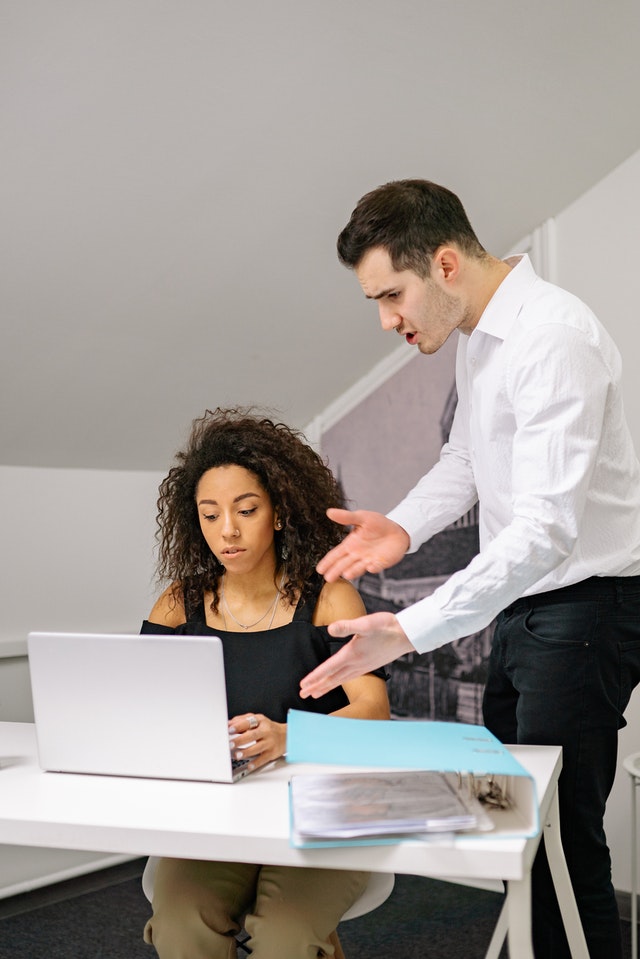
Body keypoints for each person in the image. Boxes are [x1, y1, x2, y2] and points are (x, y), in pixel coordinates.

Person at [299, 179, 640, 958]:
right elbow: (466, 458)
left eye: (392, 295)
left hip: (585, 608)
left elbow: (546, 528)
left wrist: (407, 628)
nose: (389, 320)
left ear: (445, 265)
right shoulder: (480, 338)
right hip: (530, 605)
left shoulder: (554, 338)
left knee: (560, 833)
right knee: (514, 819)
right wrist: (403, 525)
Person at [141, 407, 390, 959]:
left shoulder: (328, 598)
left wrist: (286, 738)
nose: (226, 530)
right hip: (221, 808)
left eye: (245, 510)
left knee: (283, 935)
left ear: (277, 513)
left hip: (324, 803)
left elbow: (374, 709)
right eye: (209, 516)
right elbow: (144, 711)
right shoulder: (178, 605)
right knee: (181, 922)